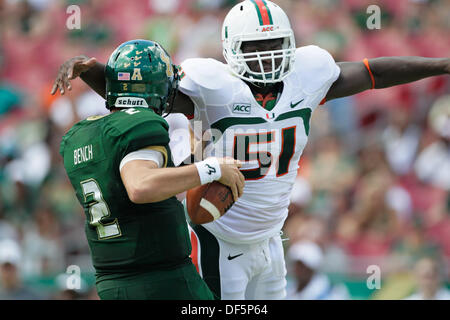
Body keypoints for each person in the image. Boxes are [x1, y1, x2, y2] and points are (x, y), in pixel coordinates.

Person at [51, 0, 450, 300]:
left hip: (272, 238)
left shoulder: (308, 74)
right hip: (217, 237)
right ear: (230, 48)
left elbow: (372, 72)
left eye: (274, 43)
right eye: (256, 46)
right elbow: (142, 94)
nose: (267, 54)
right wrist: (93, 72)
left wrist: (442, 65)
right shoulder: (212, 84)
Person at [58, 39, 244, 300]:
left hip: (112, 283)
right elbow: (140, 186)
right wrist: (211, 169)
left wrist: (199, 153)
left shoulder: (79, 135)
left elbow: (152, 188)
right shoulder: (141, 123)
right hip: (162, 280)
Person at [286, 241, 350, 300]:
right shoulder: (287, 289)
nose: (298, 270)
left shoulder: (334, 293)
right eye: (296, 265)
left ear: (313, 268)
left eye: (303, 266)